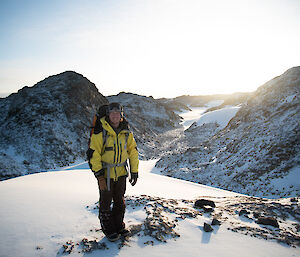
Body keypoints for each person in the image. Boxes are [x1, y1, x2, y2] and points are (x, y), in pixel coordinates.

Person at [88, 102, 139, 242]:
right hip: (106, 174)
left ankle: (119, 226)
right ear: (108, 115)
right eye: (113, 113)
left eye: (118, 113)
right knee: (105, 202)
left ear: (121, 115)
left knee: (120, 202)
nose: (115, 116)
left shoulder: (126, 132)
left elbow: (133, 152)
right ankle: (109, 230)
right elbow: (94, 153)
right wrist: (99, 175)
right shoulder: (101, 132)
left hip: (121, 173)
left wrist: (134, 171)